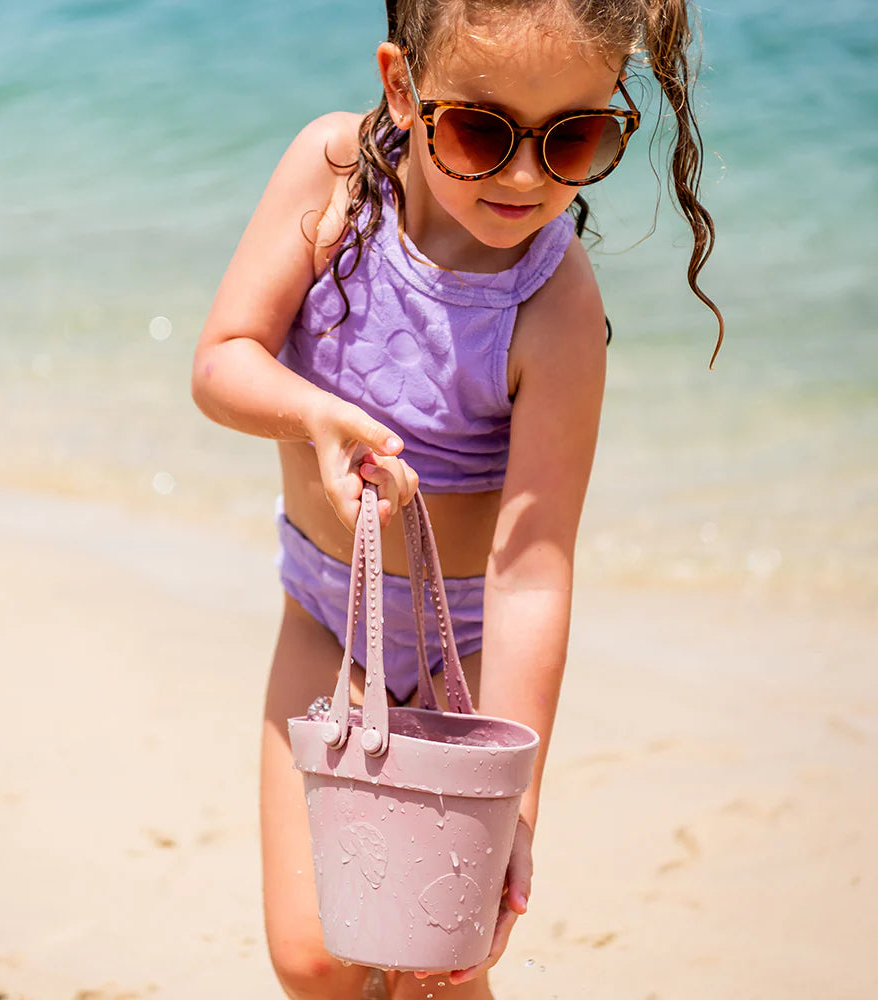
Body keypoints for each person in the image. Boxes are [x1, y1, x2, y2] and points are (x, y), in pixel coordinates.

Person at [192, 0, 722, 996]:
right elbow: (222, 360)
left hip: (468, 652)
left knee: (435, 959)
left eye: (573, 137)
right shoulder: (332, 175)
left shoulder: (554, 306)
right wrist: (314, 416)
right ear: (403, 88)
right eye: (482, 131)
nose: (524, 177)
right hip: (325, 619)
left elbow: (532, 572)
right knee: (313, 955)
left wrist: (513, 802)